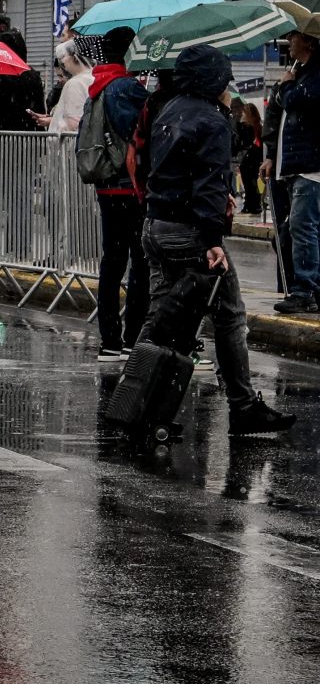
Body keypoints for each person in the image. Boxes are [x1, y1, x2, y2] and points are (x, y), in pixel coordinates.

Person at [124, 44, 293, 439]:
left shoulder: (169, 110)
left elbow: (159, 170)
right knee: (229, 315)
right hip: (190, 231)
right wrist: (213, 237)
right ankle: (243, 405)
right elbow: (208, 180)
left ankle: (135, 401)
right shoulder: (212, 121)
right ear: (212, 81)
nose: (228, 89)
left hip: (156, 224)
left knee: (161, 315)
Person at [85, 27, 153, 358]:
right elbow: (141, 131)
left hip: (106, 185)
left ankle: (109, 339)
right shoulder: (125, 87)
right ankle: (132, 336)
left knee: (112, 262)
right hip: (129, 187)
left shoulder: (99, 85)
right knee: (139, 262)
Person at [268, 30, 320, 314]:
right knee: (301, 227)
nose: (289, 43)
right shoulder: (301, 71)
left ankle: (304, 289)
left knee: (303, 228)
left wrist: (287, 87)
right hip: (296, 165)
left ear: (309, 41)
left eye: (295, 38)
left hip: (310, 166)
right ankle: (312, 286)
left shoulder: (314, 75)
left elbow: (298, 100)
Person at [45, 44, 93, 134]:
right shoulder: (94, 77)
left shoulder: (74, 83)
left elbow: (73, 122)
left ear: (74, 57)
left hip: (75, 141)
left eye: (64, 56)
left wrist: (59, 125)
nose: (62, 61)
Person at [233, 97, 266, 218]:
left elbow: (243, 142)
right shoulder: (257, 125)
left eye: (244, 112)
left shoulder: (246, 126)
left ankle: (251, 205)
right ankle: (253, 205)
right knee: (251, 183)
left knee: (249, 184)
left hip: (249, 159)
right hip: (254, 158)